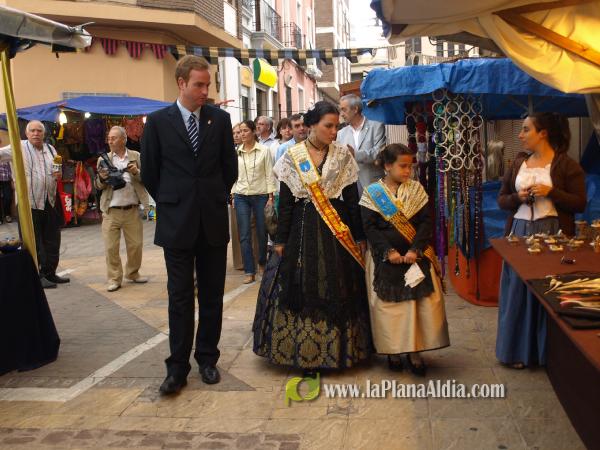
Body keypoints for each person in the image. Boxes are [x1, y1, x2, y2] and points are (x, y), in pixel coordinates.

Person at [141, 55, 238, 394]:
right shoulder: (157, 122)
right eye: (199, 85)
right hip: (176, 224)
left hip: (212, 221)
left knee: (212, 296)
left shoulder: (220, 120)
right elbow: (150, 172)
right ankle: (177, 368)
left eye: (207, 85)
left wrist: (211, 197)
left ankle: (207, 359)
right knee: (180, 298)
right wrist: (175, 201)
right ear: (181, 83)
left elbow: (229, 169)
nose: (205, 91)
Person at [253, 101, 371, 374]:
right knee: (302, 285)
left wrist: (359, 236)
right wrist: (280, 241)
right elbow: (286, 205)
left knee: (338, 284)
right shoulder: (292, 157)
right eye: (328, 126)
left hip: (336, 229)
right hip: (302, 229)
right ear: (312, 126)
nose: (334, 131)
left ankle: (339, 350)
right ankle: (306, 353)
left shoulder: (342, 155)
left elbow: (352, 200)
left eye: (336, 126)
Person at [496, 112, 586, 369]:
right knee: (517, 292)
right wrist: (518, 198)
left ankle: (546, 355)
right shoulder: (518, 163)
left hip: (552, 233)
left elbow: (579, 203)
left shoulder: (566, 165)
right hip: (519, 232)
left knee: (548, 292)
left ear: (543, 133)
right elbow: (502, 199)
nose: (520, 135)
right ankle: (516, 352)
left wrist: (552, 192)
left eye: (526, 129)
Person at [360, 144, 449, 375]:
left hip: (414, 258)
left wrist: (415, 249)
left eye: (410, 166)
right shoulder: (372, 193)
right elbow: (370, 228)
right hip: (385, 259)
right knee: (390, 308)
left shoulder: (417, 190)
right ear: (388, 166)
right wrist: (388, 251)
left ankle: (414, 352)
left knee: (415, 307)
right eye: (403, 166)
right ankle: (392, 351)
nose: (408, 171)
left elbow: (426, 223)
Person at [0, 120, 69, 289]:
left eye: (39, 131)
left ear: (44, 134)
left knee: (52, 239)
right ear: (26, 133)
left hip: (49, 200)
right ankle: (37, 275)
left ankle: (50, 272)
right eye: (32, 131)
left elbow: (57, 170)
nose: (36, 133)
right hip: (29, 203)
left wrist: (58, 174)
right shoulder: (18, 146)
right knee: (34, 241)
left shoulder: (50, 149)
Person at [96, 126, 149, 292]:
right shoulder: (103, 159)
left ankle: (132, 273)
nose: (110, 141)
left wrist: (136, 172)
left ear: (124, 139)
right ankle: (114, 278)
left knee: (136, 245)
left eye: (114, 138)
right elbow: (98, 186)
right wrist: (102, 179)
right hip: (111, 210)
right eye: (109, 138)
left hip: (132, 209)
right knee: (111, 247)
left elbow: (147, 179)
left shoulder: (136, 156)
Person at [232, 120, 276, 284]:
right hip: (241, 196)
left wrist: (270, 197)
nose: (241, 134)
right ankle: (249, 271)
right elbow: (233, 176)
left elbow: (269, 174)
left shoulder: (264, 151)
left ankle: (262, 263)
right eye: (240, 131)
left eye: (245, 130)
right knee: (244, 235)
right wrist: (233, 194)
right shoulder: (236, 152)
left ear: (253, 132)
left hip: (260, 196)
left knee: (261, 232)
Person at [337, 94, 386, 189]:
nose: (341, 114)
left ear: (355, 109)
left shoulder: (377, 127)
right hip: (349, 188)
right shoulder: (341, 133)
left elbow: (379, 153)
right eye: (340, 110)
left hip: (372, 184)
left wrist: (355, 154)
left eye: (344, 110)